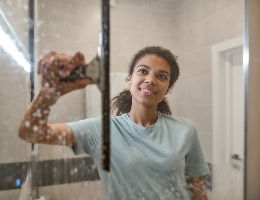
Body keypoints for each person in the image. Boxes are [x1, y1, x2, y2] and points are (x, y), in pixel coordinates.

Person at [19, 46, 209, 200]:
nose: (150, 80)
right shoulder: (101, 131)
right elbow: (30, 133)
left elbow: (198, 191)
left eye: (162, 76)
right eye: (143, 71)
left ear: (168, 88)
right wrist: (48, 94)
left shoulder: (185, 130)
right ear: (129, 78)